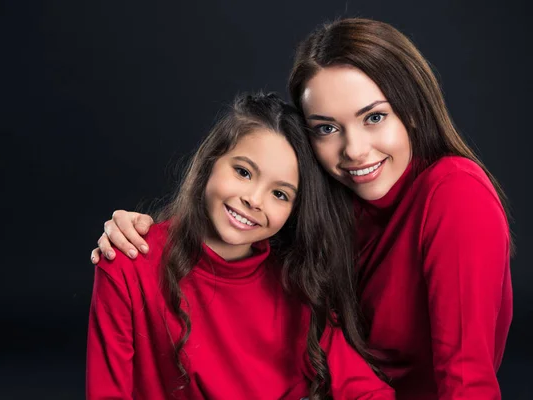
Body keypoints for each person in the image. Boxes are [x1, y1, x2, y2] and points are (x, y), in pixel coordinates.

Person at [91, 19, 513, 399]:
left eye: (374, 118)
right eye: (327, 128)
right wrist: (140, 232)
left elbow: (467, 379)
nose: (353, 150)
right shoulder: (326, 202)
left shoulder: (456, 193)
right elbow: (229, 244)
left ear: (413, 111)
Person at [87, 92, 394, 399]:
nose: (254, 199)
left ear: (293, 213)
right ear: (211, 160)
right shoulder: (128, 260)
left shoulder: (296, 286)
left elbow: (366, 390)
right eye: (243, 172)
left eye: (280, 194)